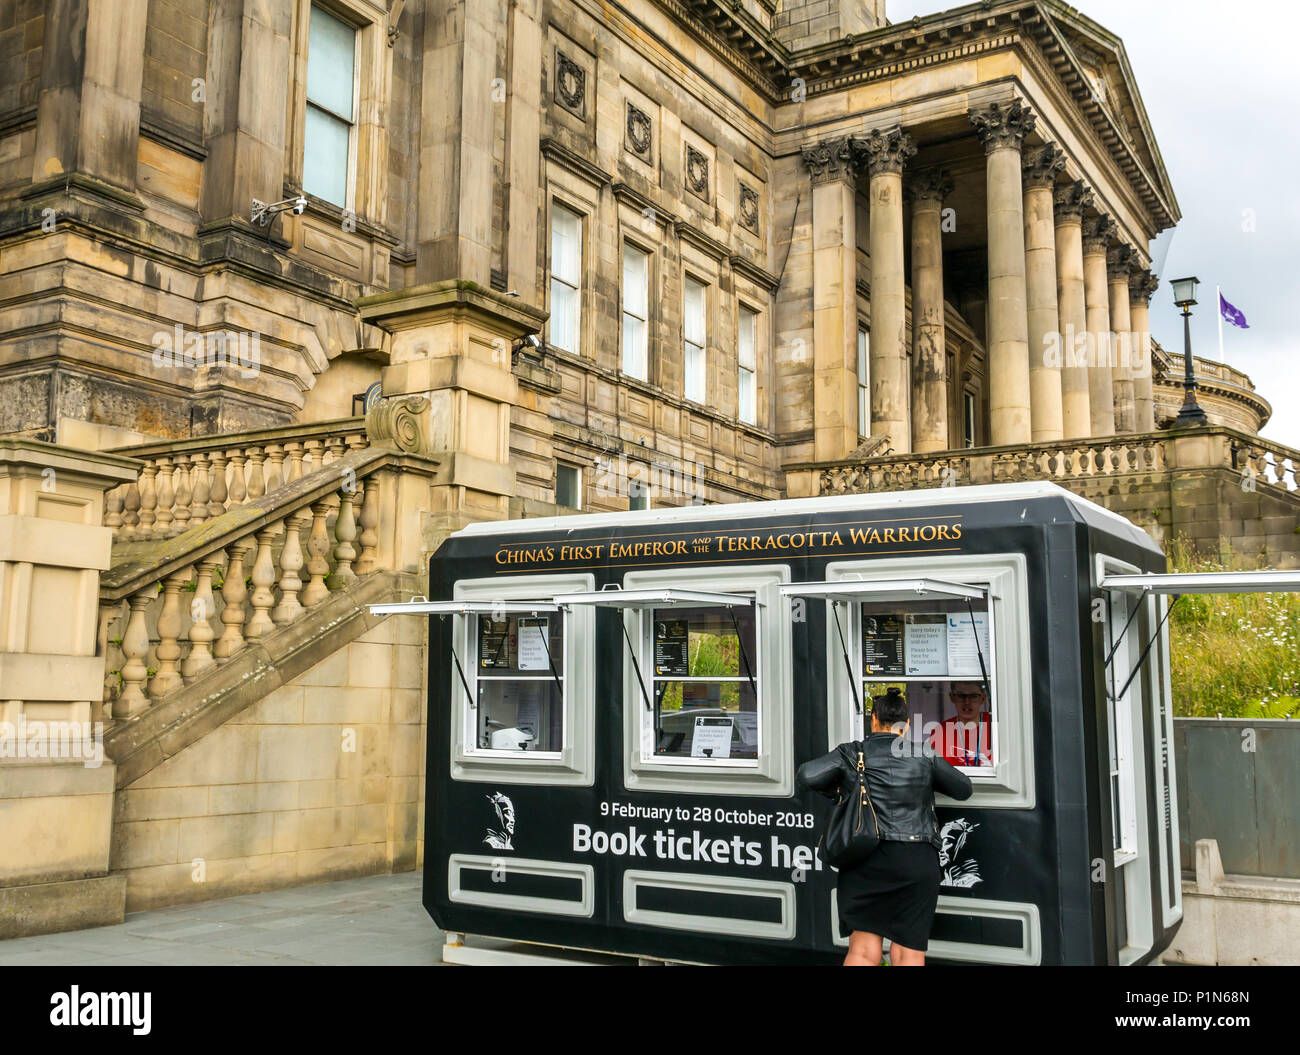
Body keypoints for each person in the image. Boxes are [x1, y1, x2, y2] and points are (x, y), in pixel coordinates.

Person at [796, 687, 973, 966]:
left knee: (863, 951)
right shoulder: (923, 754)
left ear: (873, 721)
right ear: (907, 725)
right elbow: (963, 788)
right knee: (909, 952)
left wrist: (841, 793)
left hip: (864, 858)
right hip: (915, 860)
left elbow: (807, 775)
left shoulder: (853, 753)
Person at [929, 681, 992, 767]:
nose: (967, 702)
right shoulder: (940, 732)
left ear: (983, 698)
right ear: (952, 697)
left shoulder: (996, 725)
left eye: (973, 696)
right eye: (960, 696)